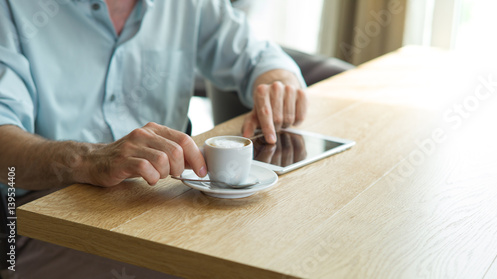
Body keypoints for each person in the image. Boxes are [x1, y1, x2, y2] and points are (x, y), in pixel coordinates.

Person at [0, 0, 306, 278]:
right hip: (46, 217)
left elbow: (260, 56)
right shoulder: (13, 8)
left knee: (277, 250)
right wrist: (87, 160)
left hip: (167, 204)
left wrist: (278, 85)